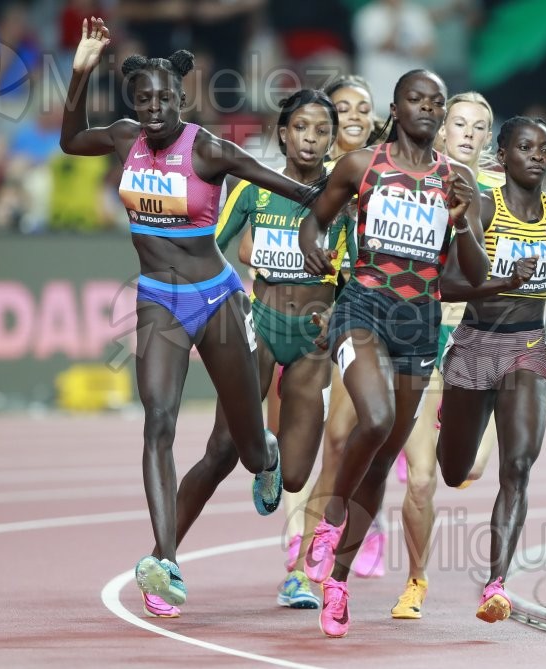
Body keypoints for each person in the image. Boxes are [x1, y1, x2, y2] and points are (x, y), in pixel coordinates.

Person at [60, 17, 318, 616]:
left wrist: (341, 197)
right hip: (158, 300)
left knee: (248, 448)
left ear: (183, 99)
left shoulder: (208, 149)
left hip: (217, 298)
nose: (152, 109)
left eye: (163, 99)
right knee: (158, 422)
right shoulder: (124, 139)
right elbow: (72, 140)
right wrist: (78, 73)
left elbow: (296, 188)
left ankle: (267, 456)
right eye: (142, 99)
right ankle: (166, 563)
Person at [298, 68, 489, 638]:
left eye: (436, 102)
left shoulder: (457, 180)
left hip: (419, 327)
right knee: (375, 419)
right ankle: (331, 519)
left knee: (382, 462)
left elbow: (473, 274)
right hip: (362, 312)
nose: (427, 109)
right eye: (417, 100)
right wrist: (313, 248)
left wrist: (467, 219)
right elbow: (317, 219)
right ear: (397, 107)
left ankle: (337, 579)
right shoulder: (362, 166)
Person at [436, 115, 546, 624]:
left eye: (545, 148)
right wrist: (500, 281)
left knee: (518, 465)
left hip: (527, 345)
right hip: (475, 343)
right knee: (453, 470)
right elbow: (448, 285)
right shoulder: (481, 205)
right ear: (503, 156)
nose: (538, 156)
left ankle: (495, 583)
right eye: (526, 147)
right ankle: (447, 420)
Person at [213, 88, 350, 610]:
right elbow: (213, 245)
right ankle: (257, 452)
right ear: (283, 133)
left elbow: (358, 268)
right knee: (243, 442)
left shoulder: (344, 196)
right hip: (261, 322)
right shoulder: (253, 187)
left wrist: (340, 311)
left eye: (321, 131)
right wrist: (225, 302)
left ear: (332, 140)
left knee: (295, 473)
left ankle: (272, 462)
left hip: (312, 341)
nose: (311, 139)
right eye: (301, 129)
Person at [390, 90, 505, 620]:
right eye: (458, 123)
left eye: (478, 126)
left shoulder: (505, 193)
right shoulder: (418, 179)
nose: (467, 132)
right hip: (423, 342)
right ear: (440, 130)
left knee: (466, 472)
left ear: (488, 138)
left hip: (477, 348)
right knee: (421, 478)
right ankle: (416, 581)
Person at [286, 75, 389, 582]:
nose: (352, 115)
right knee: (299, 445)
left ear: (374, 118)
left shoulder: (390, 168)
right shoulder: (313, 173)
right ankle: (298, 539)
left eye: (362, 107)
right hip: (308, 315)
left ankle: (328, 542)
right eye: (341, 107)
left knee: (345, 433)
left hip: (361, 314)